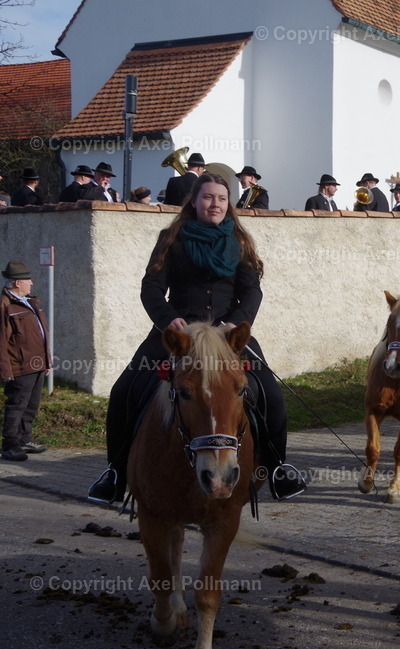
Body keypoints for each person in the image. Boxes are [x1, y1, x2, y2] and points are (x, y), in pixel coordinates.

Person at [87, 173, 305, 504]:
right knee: (123, 390)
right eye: (207, 197)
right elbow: (152, 287)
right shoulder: (171, 237)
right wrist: (166, 320)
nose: (214, 204)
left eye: (220, 198)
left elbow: (251, 291)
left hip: (227, 334)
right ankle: (115, 473)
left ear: (228, 203)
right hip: (179, 332)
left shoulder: (241, 240)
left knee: (271, 393)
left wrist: (235, 323)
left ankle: (277, 468)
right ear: (194, 201)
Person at [0, 261, 51, 462]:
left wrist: (47, 362)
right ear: (16, 283)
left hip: (36, 364)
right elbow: (2, 341)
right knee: (16, 405)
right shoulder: (5, 305)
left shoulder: (29, 301)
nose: (31, 282)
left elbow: (41, 333)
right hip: (19, 366)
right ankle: (10, 444)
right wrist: (5, 371)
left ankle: (24, 440)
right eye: (27, 279)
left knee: (31, 404)